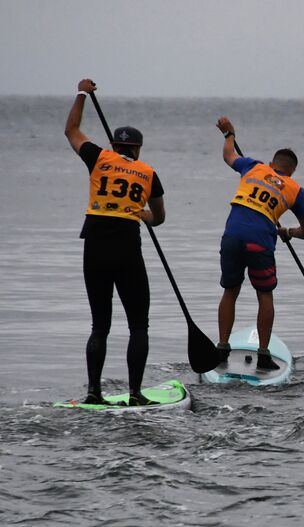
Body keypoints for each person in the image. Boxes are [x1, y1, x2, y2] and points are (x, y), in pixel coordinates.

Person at [64, 78, 166, 405]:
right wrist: (140, 213)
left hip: (94, 245)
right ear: (136, 149)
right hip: (126, 248)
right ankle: (136, 395)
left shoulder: (99, 158)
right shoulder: (148, 173)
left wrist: (81, 93)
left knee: (100, 325)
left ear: (113, 145)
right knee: (138, 325)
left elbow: (72, 130)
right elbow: (158, 216)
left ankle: (94, 393)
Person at [213, 117, 304, 371]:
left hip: (233, 236)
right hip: (260, 243)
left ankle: (222, 348)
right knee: (265, 295)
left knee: (230, 291)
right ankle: (264, 354)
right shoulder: (294, 189)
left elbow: (228, 156)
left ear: (271, 164)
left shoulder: (254, 167)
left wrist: (230, 134)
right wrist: (288, 232)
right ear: (291, 172)